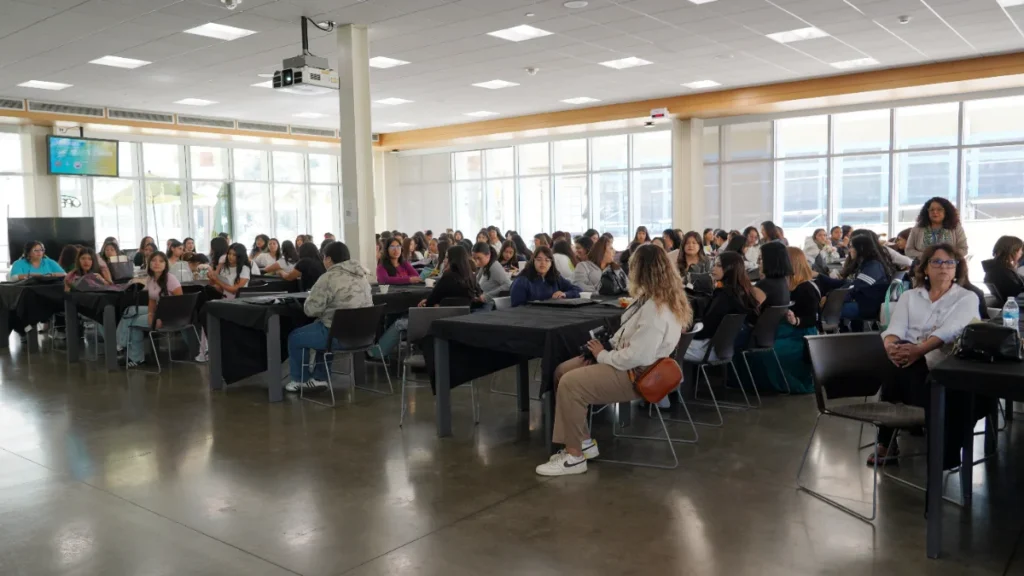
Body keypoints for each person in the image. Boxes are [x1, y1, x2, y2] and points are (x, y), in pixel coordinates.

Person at [536, 244, 692, 476]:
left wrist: (602, 355)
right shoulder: (652, 299)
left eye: (633, 266)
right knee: (562, 370)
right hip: (629, 363)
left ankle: (574, 456)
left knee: (570, 383)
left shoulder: (657, 309)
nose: (629, 271)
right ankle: (582, 440)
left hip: (636, 374)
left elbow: (638, 356)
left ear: (643, 270)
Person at [875, 244, 982, 468]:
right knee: (899, 358)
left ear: (956, 269)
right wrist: (891, 347)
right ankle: (928, 440)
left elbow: (950, 330)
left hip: (944, 368)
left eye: (950, 263)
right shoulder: (910, 297)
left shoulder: (967, 297)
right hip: (909, 366)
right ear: (925, 268)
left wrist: (918, 350)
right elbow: (894, 328)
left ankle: (887, 441)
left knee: (901, 364)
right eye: (937, 262)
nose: (944, 267)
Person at [285, 241, 373, 393]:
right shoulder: (363, 276)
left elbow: (311, 310)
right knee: (323, 326)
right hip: (364, 336)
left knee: (295, 337)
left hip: (338, 337)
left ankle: (300, 380)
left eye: (324, 257)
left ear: (329, 259)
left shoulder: (328, 278)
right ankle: (319, 378)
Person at [372, 245, 484, 360]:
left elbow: (431, 300)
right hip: (459, 321)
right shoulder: (471, 277)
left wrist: (430, 303)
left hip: (436, 320)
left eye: (446, 257)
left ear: (452, 260)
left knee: (399, 324)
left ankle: (377, 353)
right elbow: (479, 294)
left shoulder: (448, 277)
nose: (445, 260)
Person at [684, 252, 764, 362]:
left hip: (709, 350)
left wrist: (687, 333)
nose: (713, 268)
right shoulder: (744, 291)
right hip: (731, 348)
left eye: (719, 265)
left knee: (668, 345)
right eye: (714, 264)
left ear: (731, 268)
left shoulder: (724, 295)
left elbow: (706, 330)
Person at [116, 251, 183, 368]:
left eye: (161, 261)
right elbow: (152, 300)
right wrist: (151, 314)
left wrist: (161, 318)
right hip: (158, 310)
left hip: (170, 316)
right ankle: (120, 344)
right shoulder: (151, 279)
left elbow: (180, 303)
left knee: (134, 322)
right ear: (149, 263)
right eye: (153, 260)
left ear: (165, 265)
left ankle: (136, 357)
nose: (157, 263)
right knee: (130, 311)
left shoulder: (170, 279)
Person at [817, 234, 892, 326]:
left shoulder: (873, 266)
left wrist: (831, 299)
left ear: (860, 248)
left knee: (827, 307)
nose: (849, 250)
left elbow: (855, 287)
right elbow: (853, 285)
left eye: (852, 247)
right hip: (864, 302)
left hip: (867, 306)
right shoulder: (868, 264)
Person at [509, 247, 582, 306]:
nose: (543, 263)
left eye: (547, 260)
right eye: (539, 260)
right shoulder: (522, 281)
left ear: (551, 263)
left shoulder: (555, 277)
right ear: (533, 261)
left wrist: (565, 294)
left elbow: (577, 290)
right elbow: (517, 307)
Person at [982, 235, 1024, 301]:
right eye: (1020, 249)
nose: (1021, 252)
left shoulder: (996, 268)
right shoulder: (1002, 272)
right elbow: (1014, 292)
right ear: (1013, 251)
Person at [755, 241, 792, 307]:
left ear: (769, 260)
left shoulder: (764, 285)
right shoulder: (784, 281)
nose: (758, 262)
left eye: (760, 258)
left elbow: (747, 310)